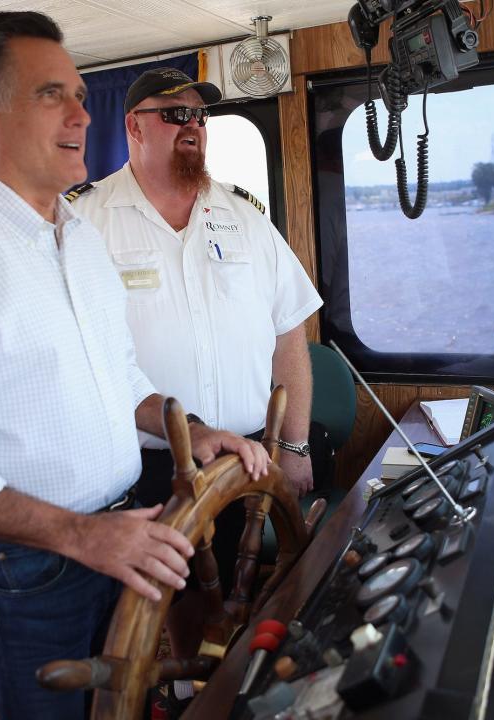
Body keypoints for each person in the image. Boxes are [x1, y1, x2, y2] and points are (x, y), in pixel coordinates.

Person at [0, 14, 269, 720]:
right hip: (28, 574)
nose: (83, 114)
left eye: (81, 95)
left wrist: (192, 431)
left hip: (122, 538)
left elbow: (121, 380)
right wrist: (80, 535)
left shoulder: (81, 240)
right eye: (52, 95)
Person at [71, 68, 323, 663]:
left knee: (256, 587)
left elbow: (290, 336)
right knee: (175, 599)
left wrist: (297, 447)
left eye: (200, 117)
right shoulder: (86, 222)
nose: (193, 127)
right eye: (175, 114)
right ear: (134, 126)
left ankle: (247, 686)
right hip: (142, 462)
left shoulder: (244, 216)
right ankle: (188, 689)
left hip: (247, 454)